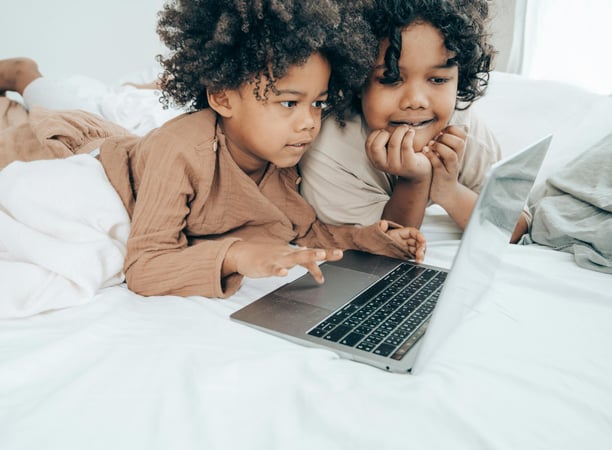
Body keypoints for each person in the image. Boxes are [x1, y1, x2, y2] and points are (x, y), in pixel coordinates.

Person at [0, 0, 426, 299]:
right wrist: (235, 255)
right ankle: (23, 74)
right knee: (11, 126)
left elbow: (300, 231)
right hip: (71, 159)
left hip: (125, 141)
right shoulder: (183, 151)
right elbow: (145, 266)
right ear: (222, 97)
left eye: (317, 103)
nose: (309, 122)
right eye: (288, 103)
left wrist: (363, 238)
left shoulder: (282, 159)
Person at [299, 0, 502, 233]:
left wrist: (450, 191)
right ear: (357, 81)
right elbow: (390, 246)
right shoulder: (330, 148)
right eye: (391, 79)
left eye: (438, 80)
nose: (416, 101)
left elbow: (513, 227)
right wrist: (414, 180)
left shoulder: (463, 127)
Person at [0, 57, 182, 136]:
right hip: (105, 109)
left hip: (106, 126)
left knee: (21, 71)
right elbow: (128, 87)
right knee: (22, 71)